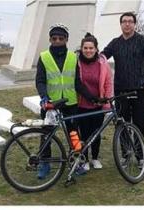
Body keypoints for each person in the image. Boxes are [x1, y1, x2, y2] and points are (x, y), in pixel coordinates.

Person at [101, 12, 144, 165]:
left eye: (130, 21)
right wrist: (87, 55)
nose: (127, 24)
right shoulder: (115, 43)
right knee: (122, 124)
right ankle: (126, 154)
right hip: (120, 91)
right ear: (120, 24)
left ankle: (140, 156)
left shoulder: (142, 41)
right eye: (124, 21)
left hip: (139, 90)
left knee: (139, 124)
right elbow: (102, 57)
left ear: (134, 24)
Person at [35, 23, 80, 179]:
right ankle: (44, 163)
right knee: (46, 134)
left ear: (66, 39)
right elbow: (40, 80)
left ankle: (76, 161)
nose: (57, 41)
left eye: (61, 38)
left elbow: (78, 81)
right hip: (51, 104)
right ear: (50, 39)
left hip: (70, 102)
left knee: (74, 134)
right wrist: (43, 96)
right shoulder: (44, 57)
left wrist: (92, 98)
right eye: (54, 38)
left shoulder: (74, 57)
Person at [75, 33, 113, 171]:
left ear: (96, 49)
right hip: (81, 104)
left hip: (98, 104)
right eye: (85, 48)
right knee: (83, 134)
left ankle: (95, 158)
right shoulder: (76, 62)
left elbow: (108, 83)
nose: (88, 50)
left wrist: (107, 103)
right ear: (81, 49)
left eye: (91, 48)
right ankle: (84, 159)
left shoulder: (103, 63)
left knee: (96, 133)